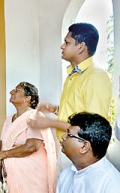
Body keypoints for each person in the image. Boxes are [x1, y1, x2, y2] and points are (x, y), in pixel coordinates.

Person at [37, 23, 112, 173]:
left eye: (67, 42)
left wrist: (50, 123)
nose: (62, 46)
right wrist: (57, 110)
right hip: (69, 151)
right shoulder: (74, 76)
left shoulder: (96, 77)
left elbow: (92, 129)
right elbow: (79, 115)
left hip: (84, 157)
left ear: (81, 46)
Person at [0, 82, 56, 193]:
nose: (11, 92)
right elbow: (2, 145)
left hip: (31, 177)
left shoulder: (35, 116)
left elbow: (31, 147)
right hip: (11, 176)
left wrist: (5, 154)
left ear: (28, 98)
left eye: (17, 90)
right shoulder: (9, 119)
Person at [57, 112, 120, 193]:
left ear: (84, 147)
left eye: (69, 134)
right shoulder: (66, 174)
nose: (63, 137)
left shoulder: (112, 185)